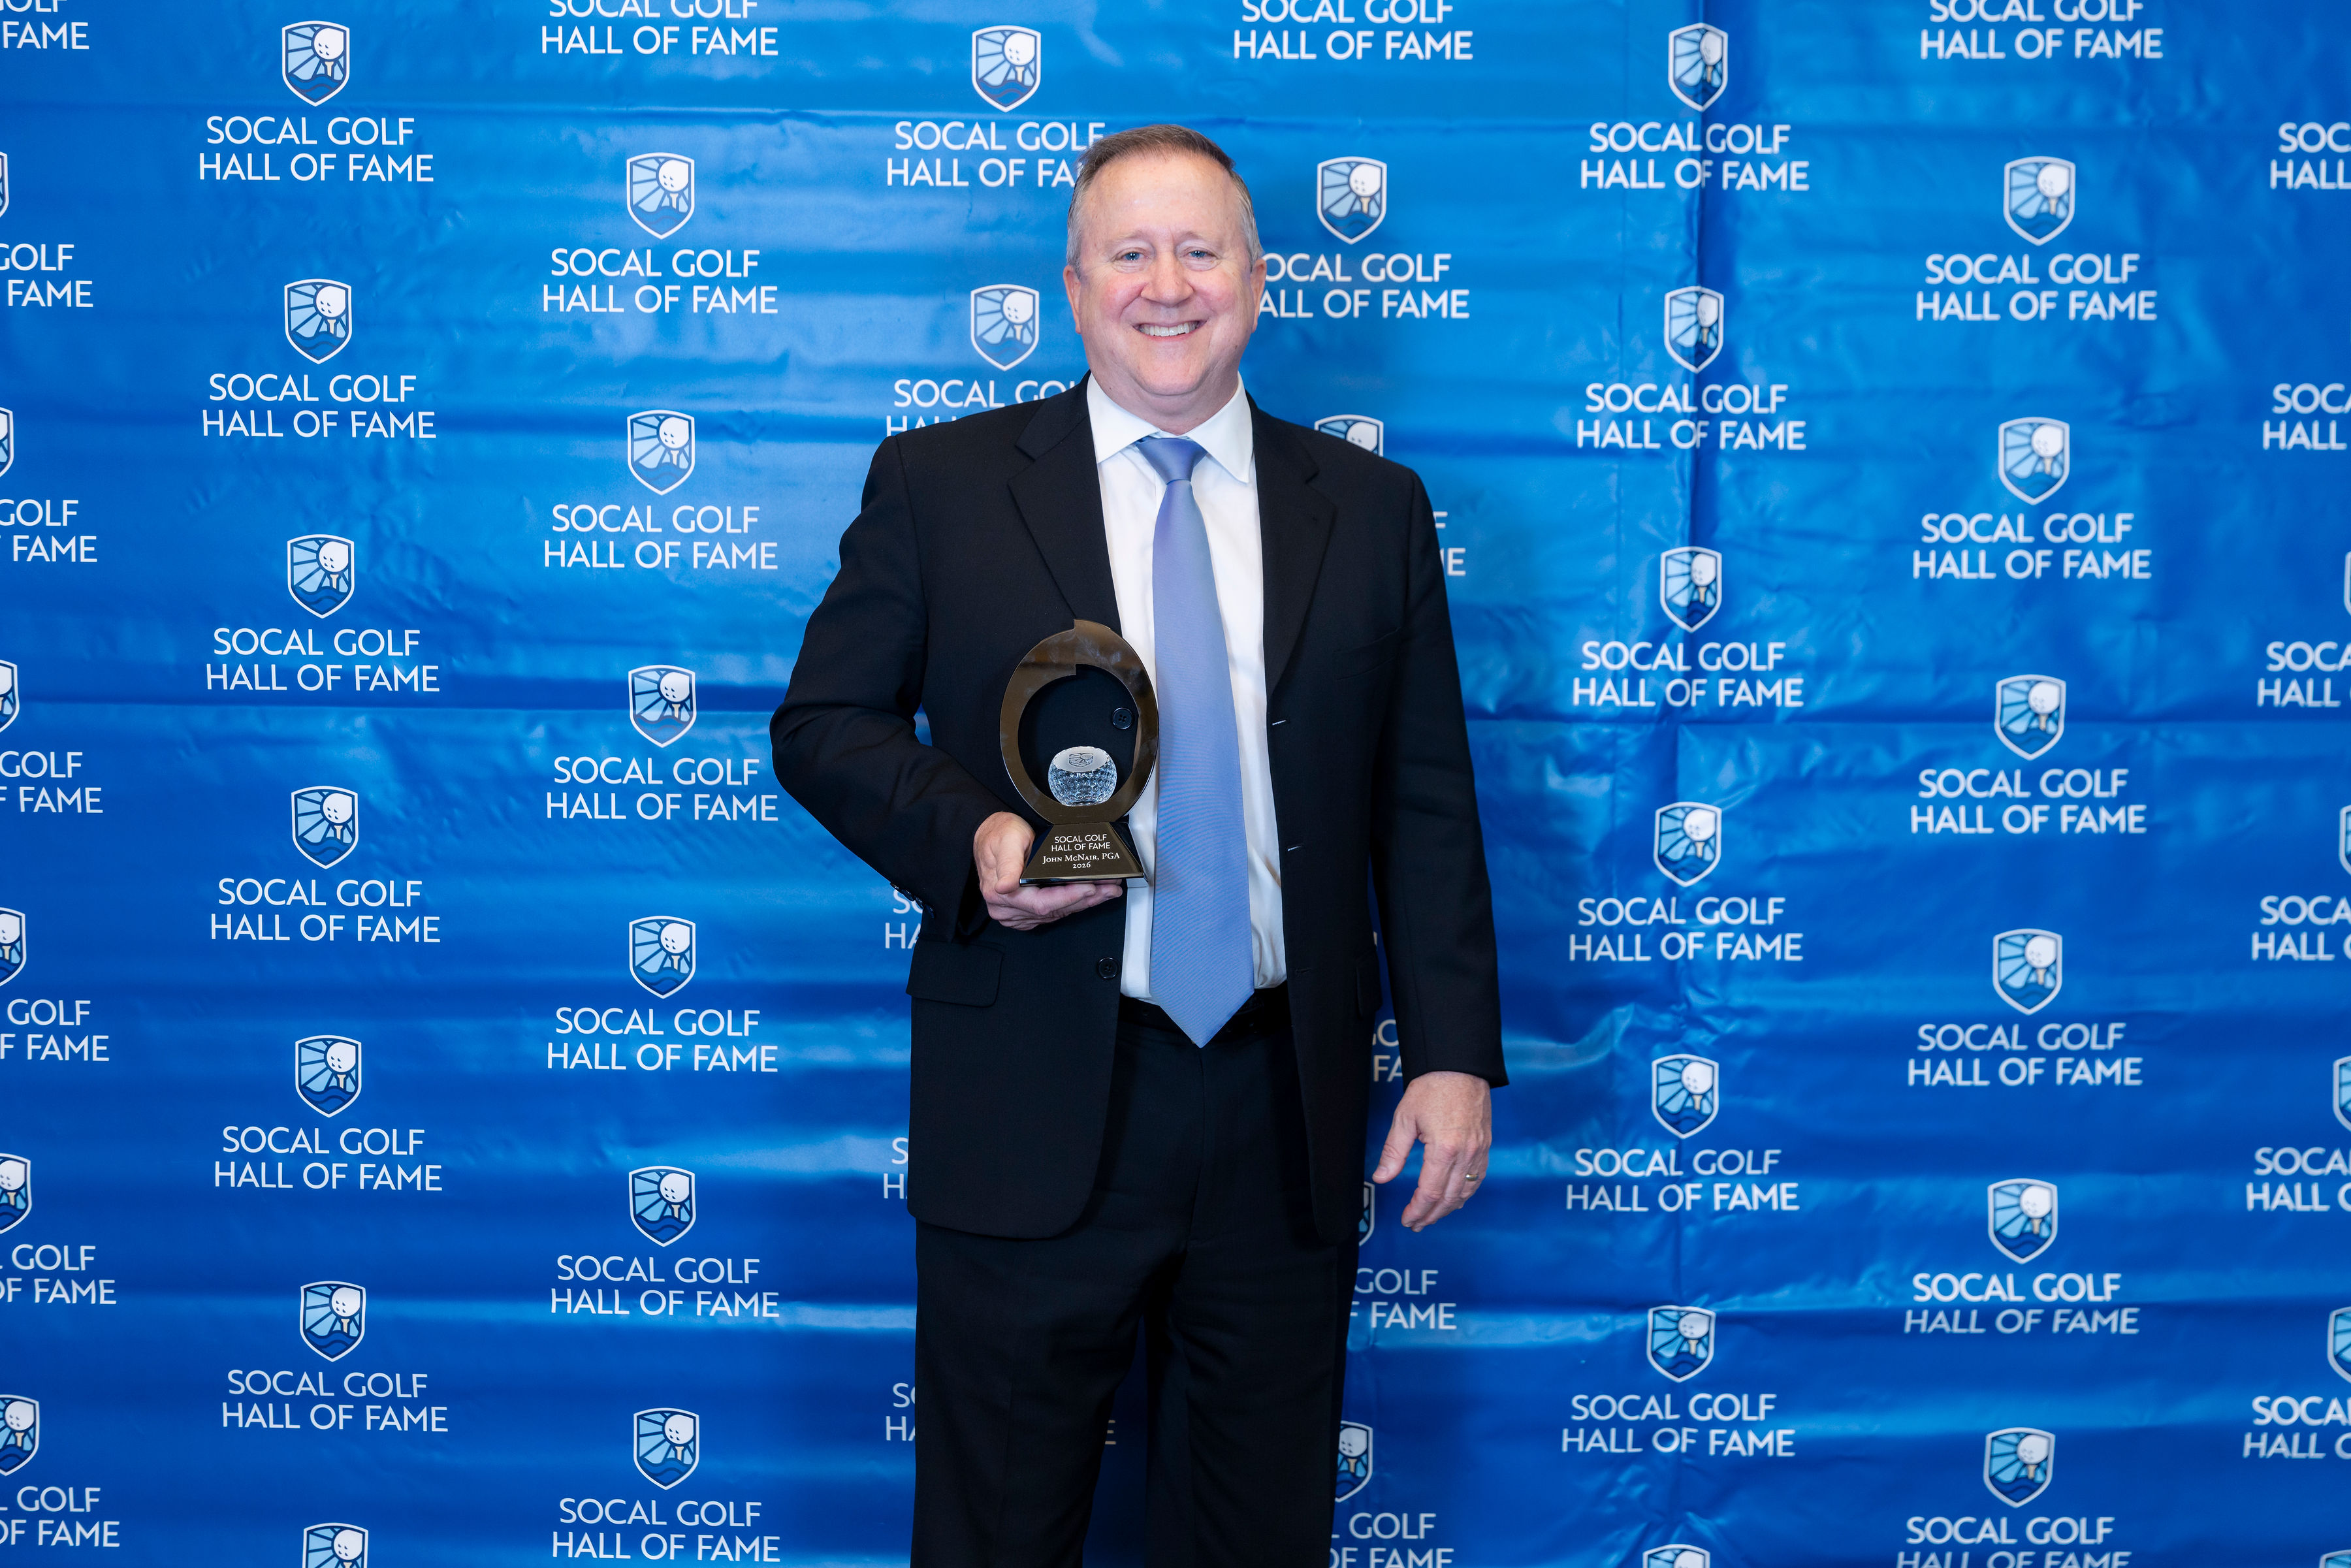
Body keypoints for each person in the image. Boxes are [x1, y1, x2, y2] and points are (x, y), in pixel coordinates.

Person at [773, 123, 1504, 1567]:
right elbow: (823, 724)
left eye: (1201, 250)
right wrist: (975, 830)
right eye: (1130, 252)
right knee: (997, 1535)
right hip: (1034, 1082)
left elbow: (1423, 797)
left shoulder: (1368, 510)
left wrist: (1452, 1052)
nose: (1167, 285)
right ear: (1072, 283)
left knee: (1255, 1533)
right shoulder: (942, 483)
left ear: (1258, 278)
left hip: (1282, 1103)